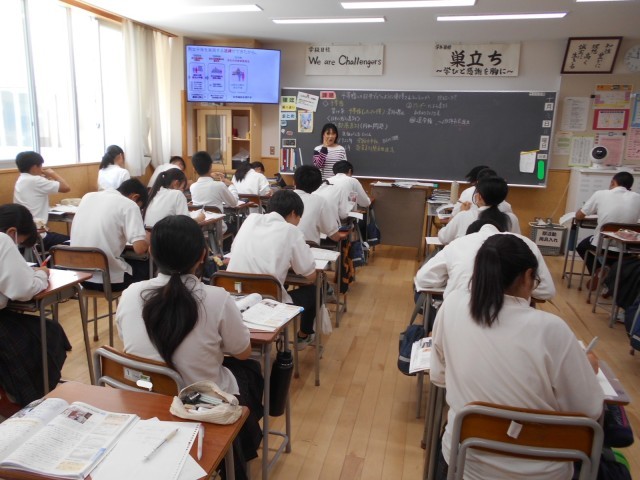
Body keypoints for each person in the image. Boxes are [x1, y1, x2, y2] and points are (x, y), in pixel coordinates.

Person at [431, 234, 604, 480]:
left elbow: (439, 377)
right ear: (527, 276)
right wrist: (586, 370)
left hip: (464, 465)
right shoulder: (551, 329)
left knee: (448, 434)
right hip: (542, 473)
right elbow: (589, 410)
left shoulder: (452, 306)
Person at [116, 215, 260, 480]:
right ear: (202, 255)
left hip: (143, 396)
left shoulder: (130, 294)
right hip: (200, 404)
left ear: (151, 252)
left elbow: (128, 342)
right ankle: (240, 445)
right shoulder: (216, 298)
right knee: (250, 372)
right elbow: (243, 351)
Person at [227, 190, 317, 349]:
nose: (298, 222)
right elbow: (310, 275)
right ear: (293, 213)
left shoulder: (250, 220)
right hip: (267, 302)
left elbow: (234, 251)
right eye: (299, 217)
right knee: (314, 291)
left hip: (233, 296)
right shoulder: (291, 231)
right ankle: (304, 335)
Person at [0, 204, 70, 406]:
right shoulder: (3, 239)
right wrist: (41, 274)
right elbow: (24, 291)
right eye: (19, 244)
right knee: (50, 333)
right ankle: (30, 396)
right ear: (12, 232)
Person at [415, 218, 555, 300]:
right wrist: (521, 287)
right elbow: (547, 291)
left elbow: (423, 278)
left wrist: (453, 278)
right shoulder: (526, 243)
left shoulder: (459, 243)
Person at [70, 179, 149, 291]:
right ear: (135, 197)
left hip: (81, 278)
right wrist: (148, 238)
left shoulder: (87, 197)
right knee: (149, 266)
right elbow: (140, 249)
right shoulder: (130, 205)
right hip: (108, 281)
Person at [576, 171, 640, 277]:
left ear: (612, 182)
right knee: (615, 252)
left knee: (582, 246)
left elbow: (579, 216)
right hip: (628, 248)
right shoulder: (637, 197)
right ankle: (610, 274)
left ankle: (598, 273)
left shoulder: (600, 194)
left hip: (602, 246)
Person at [13, 151, 71, 251]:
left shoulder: (21, 179)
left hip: (24, 234)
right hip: (37, 236)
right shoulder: (35, 180)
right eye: (41, 166)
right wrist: (52, 173)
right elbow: (66, 188)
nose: (42, 169)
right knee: (73, 241)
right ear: (34, 166)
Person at [438, 176, 520, 244]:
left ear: (479, 197)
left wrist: (460, 213)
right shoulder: (512, 219)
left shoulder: (463, 216)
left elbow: (444, 238)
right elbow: (517, 242)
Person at [293, 165, 341, 244]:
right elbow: (334, 235)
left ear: (294, 181)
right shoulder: (320, 201)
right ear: (318, 186)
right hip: (309, 248)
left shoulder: (280, 197)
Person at [190, 151, 238, 226]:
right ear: (211, 166)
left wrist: (210, 175)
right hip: (218, 227)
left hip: (200, 226)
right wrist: (231, 185)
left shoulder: (192, 187)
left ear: (194, 170)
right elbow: (233, 203)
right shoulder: (219, 185)